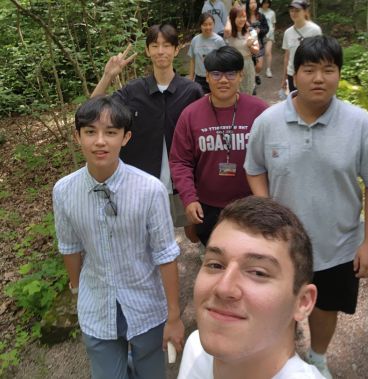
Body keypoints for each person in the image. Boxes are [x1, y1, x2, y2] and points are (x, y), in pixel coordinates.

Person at [244, 36, 368, 378]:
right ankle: (283, 358)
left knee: (326, 306)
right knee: (277, 305)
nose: (319, 78)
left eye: (328, 70)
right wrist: (265, 209)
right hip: (282, 245)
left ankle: (317, 357)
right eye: (310, 69)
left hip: (338, 243)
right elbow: (253, 168)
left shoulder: (361, 125)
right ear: (294, 73)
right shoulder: (268, 122)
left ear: (338, 74)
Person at [53, 96, 184, 379]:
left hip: (146, 304)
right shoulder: (64, 191)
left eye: (111, 132)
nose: (100, 141)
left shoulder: (150, 189)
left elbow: (165, 253)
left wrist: (174, 316)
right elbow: (70, 246)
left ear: (126, 138)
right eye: (90, 132)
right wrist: (77, 291)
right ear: (78, 137)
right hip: (96, 305)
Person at [178, 196, 324, 379]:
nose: (223, 288)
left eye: (258, 273)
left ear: (302, 302)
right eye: (215, 265)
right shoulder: (195, 349)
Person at [91, 24, 203, 237]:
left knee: (194, 235)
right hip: (141, 185)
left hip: (184, 183)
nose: (161, 51)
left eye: (167, 45)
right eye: (155, 45)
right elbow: (92, 112)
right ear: (147, 50)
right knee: (146, 239)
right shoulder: (133, 91)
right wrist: (107, 76)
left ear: (176, 49)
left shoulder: (191, 91)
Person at [169, 46, 268, 246]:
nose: (223, 80)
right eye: (216, 73)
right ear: (206, 76)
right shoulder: (190, 115)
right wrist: (189, 199)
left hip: (251, 206)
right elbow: (180, 161)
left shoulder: (260, 111)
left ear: (241, 75)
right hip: (208, 207)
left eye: (231, 73)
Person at [281, 0, 321, 92]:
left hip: (309, 73)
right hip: (292, 73)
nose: (294, 13)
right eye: (292, 11)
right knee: (295, 102)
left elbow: (320, 54)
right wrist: (284, 77)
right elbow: (287, 56)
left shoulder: (315, 30)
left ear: (305, 12)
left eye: (297, 10)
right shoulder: (288, 32)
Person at [188, 12, 226, 94]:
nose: (208, 27)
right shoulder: (195, 40)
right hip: (199, 78)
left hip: (215, 77)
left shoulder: (219, 41)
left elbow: (224, 61)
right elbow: (192, 60)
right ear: (200, 25)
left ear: (214, 24)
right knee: (201, 101)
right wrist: (191, 77)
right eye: (205, 24)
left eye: (210, 24)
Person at [226, 4, 259, 95]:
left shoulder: (251, 31)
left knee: (248, 92)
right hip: (233, 65)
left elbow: (257, 50)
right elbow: (227, 30)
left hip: (248, 64)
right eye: (239, 17)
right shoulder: (229, 33)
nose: (242, 19)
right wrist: (229, 18)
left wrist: (250, 46)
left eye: (244, 17)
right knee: (235, 92)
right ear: (233, 18)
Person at [246, 0, 269, 86]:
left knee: (259, 66)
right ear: (248, 4)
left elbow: (266, 28)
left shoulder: (261, 16)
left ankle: (256, 75)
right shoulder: (245, 16)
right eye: (251, 3)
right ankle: (253, 84)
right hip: (248, 44)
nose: (253, 5)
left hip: (259, 43)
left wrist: (260, 31)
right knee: (251, 65)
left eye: (254, 2)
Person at [259, 0, 276, 78]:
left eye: (267, 3)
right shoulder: (258, 11)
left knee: (268, 52)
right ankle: (257, 70)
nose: (266, 4)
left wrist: (270, 34)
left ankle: (268, 69)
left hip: (269, 35)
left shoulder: (272, 13)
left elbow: (273, 25)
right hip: (259, 35)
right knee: (258, 54)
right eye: (264, 3)